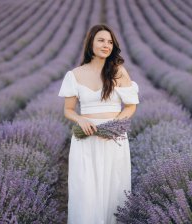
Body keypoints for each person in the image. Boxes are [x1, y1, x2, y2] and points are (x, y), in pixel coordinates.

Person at [58, 24, 139, 224]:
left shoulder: (118, 71)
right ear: (91, 43)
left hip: (113, 138)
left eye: (110, 42)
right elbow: (68, 110)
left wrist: (112, 127)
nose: (106, 45)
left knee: (114, 187)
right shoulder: (75, 74)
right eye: (101, 40)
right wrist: (80, 118)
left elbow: (130, 106)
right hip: (86, 140)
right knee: (86, 190)